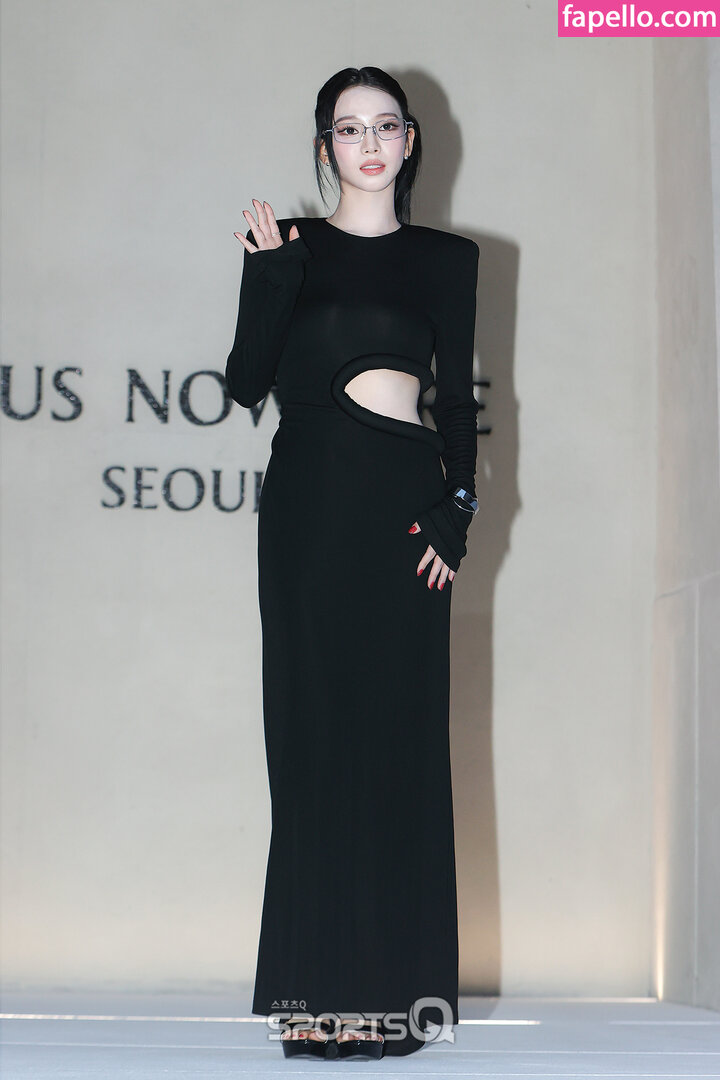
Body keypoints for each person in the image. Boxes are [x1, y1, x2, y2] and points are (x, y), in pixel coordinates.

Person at [225, 65, 480, 1061]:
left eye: (384, 125)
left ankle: (391, 1002)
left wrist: (458, 511)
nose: (368, 143)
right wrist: (269, 280)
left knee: (398, 749)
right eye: (347, 127)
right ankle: (315, 1000)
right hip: (308, 515)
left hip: (405, 517)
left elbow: (453, 403)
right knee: (314, 748)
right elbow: (245, 382)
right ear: (324, 144)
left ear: (410, 140)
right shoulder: (288, 248)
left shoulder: (448, 259)